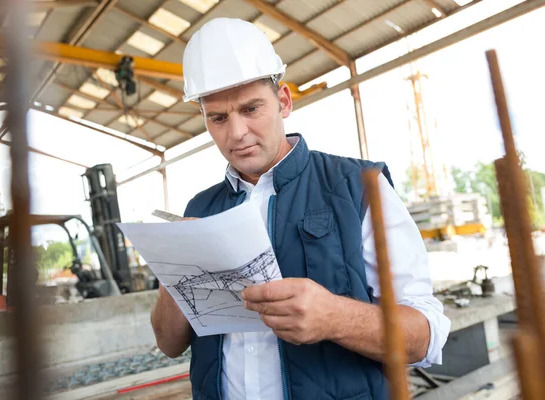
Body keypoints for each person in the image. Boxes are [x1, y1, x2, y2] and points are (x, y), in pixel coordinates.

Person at [150, 17, 451, 400]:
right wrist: (174, 276)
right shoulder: (199, 209)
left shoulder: (358, 187)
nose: (236, 132)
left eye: (251, 109)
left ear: (284, 101)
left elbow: (424, 338)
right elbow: (168, 343)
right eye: (219, 118)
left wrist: (335, 317)